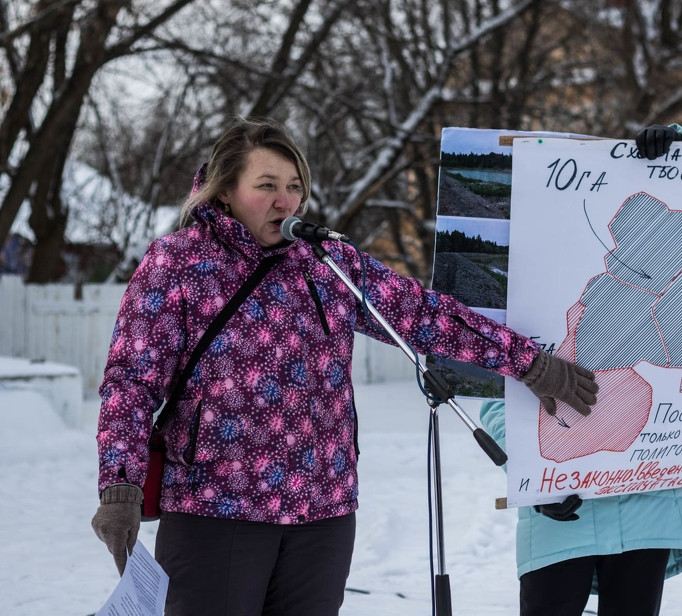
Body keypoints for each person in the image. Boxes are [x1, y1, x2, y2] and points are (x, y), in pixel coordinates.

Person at [90, 116, 599, 616]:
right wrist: (120, 486)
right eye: (266, 186)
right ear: (225, 191)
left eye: (294, 187)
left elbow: (424, 315)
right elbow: (131, 382)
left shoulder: (328, 263)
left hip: (323, 513)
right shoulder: (178, 262)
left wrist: (529, 363)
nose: (285, 201)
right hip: (216, 508)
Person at [479, 124, 682, 616]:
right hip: (560, 504)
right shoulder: (527, 294)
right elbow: (493, 396)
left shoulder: (667, 300)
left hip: (645, 499)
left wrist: (676, 155)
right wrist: (532, 474)